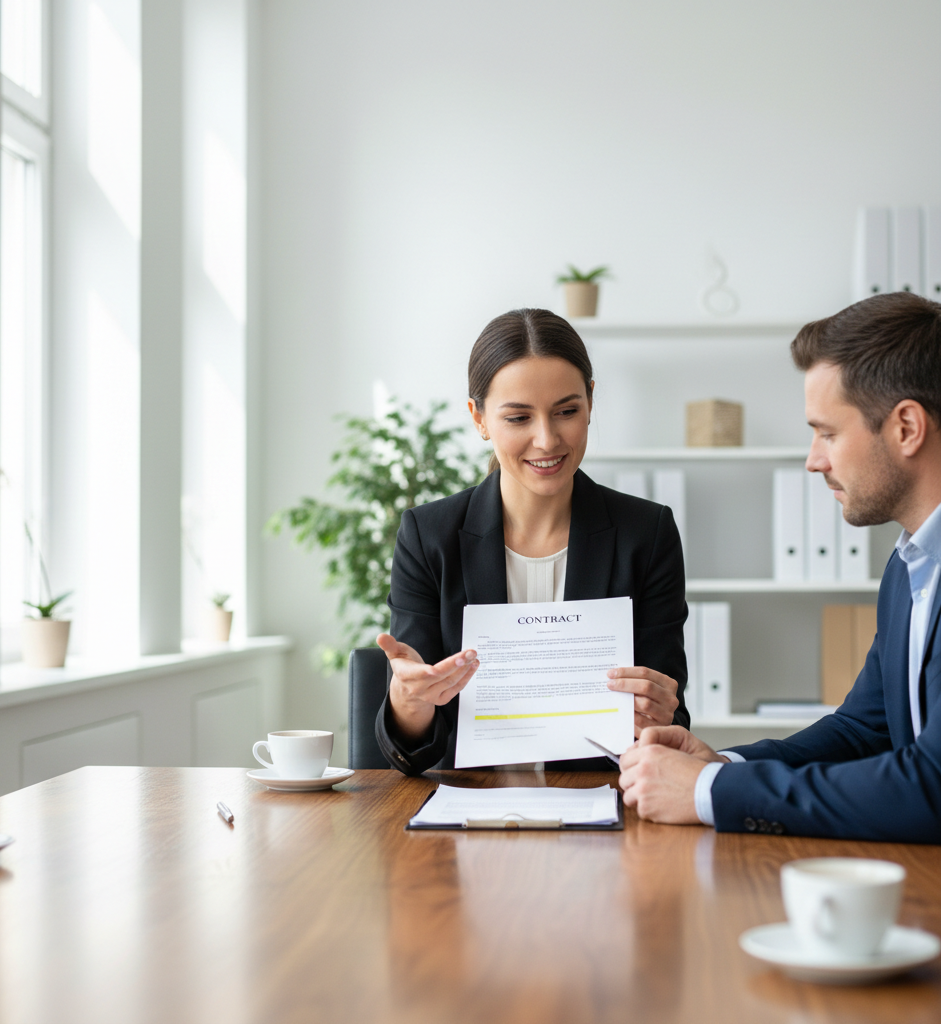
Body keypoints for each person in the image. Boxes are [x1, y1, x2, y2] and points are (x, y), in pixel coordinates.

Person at [619, 291, 941, 843]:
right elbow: (866, 729)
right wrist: (722, 766)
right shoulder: (910, 565)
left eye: (829, 432)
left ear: (906, 427)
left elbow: (932, 786)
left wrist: (706, 794)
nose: (814, 459)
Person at [375, 308, 690, 775]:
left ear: (590, 402)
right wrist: (410, 701)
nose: (547, 439)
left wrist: (656, 714)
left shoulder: (646, 534)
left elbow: (672, 717)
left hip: (599, 807)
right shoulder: (429, 537)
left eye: (567, 411)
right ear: (479, 419)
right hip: (468, 811)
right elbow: (413, 751)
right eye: (519, 417)